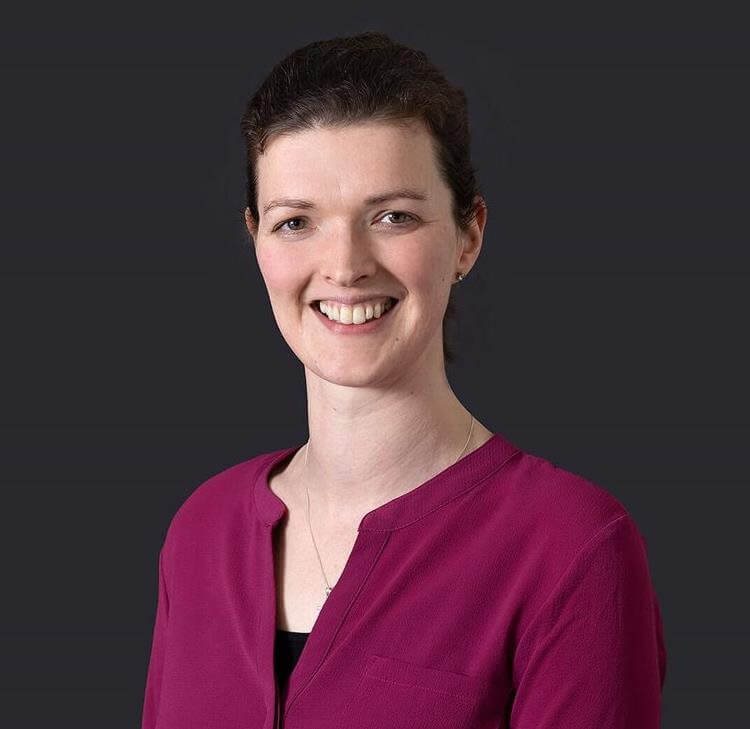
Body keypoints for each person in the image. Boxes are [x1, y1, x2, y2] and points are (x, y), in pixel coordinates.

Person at [141, 31, 667, 729]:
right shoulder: (200, 533)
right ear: (256, 238)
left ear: (468, 236)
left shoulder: (573, 546)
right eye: (295, 222)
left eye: (393, 216)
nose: (345, 265)